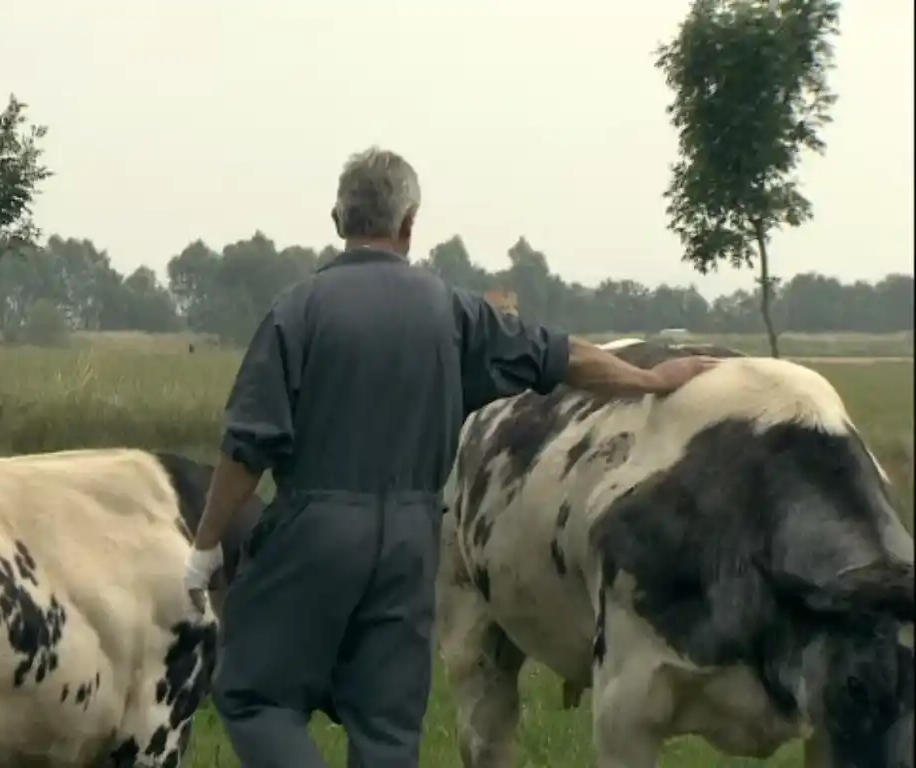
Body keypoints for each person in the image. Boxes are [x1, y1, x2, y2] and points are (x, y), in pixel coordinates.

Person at [182, 147, 718, 768]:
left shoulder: (297, 311)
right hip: (413, 539)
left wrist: (204, 548)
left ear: (337, 219)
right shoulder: (455, 311)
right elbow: (561, 357)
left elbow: (248, 447)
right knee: (386, 728)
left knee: (253, 694)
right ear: (409, 225)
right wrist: (651, 380)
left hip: (315, 530)